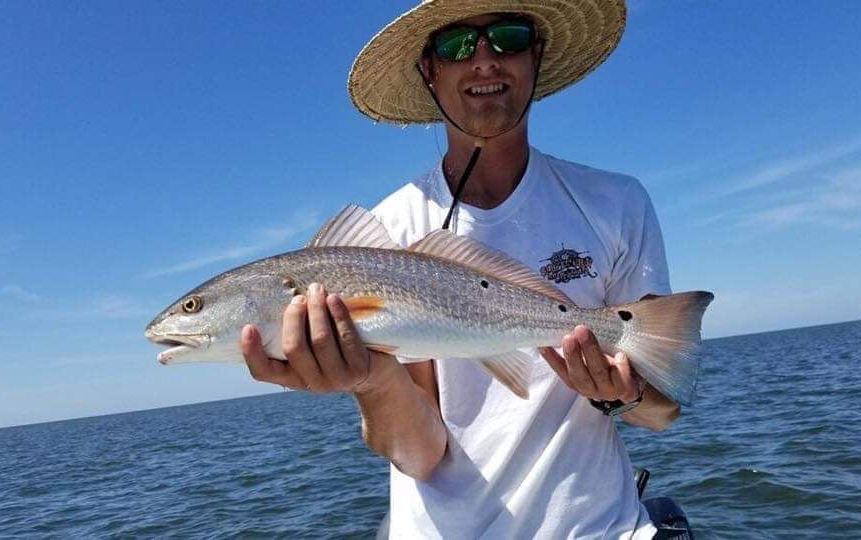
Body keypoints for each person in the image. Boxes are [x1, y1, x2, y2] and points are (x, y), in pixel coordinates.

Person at [241, 1, 682, 537]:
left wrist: (622, 392)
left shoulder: (615, 202)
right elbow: (422, 455)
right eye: (454, 45)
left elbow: (663, 412)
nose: (483, 60)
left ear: (535, 53)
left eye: (508, 37)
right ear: (430, 70)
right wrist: (371, 378)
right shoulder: (384, 235)